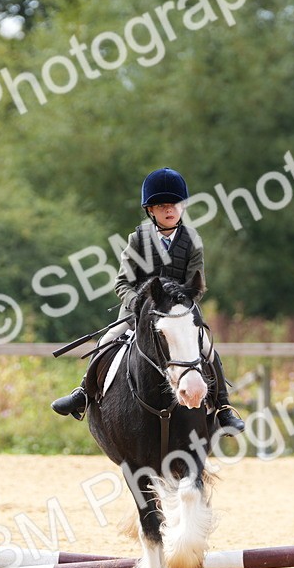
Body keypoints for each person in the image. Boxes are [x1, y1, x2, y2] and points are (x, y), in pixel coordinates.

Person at [51, 167, 245, 433]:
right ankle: (84, 393)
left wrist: (182, 305)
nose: (170, 210)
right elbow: (122, 283)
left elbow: (196, 285)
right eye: (162, 205)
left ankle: (223, 407)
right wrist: (140, 306)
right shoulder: (137, 239)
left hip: (179, 314)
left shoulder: (192, 241)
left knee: (208, 348)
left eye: (175, 204)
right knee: (107, 342)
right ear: (150, 210)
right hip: (139, 312)